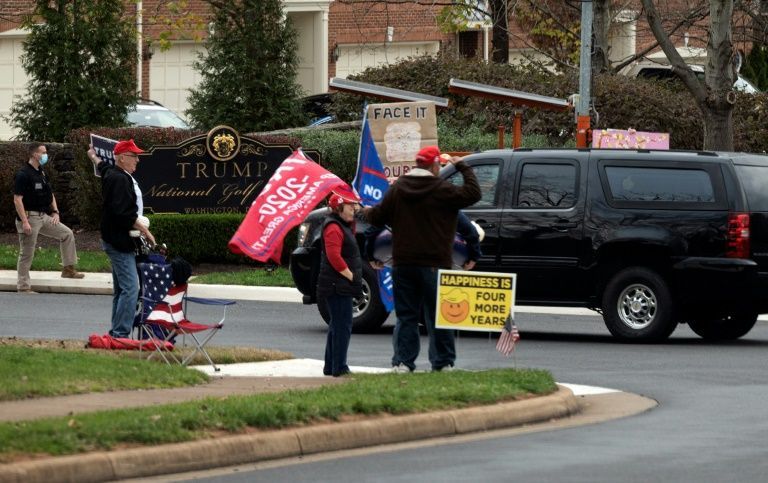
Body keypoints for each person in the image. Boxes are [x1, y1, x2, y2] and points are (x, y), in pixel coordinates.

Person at [363, 145, 481, 372]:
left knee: (406, 316)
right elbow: (473, 193)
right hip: (435, 264)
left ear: (417, 164)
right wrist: (461, 165)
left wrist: (365, 217)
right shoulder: (442, 189)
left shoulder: (398, 189)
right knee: (438, 316)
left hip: (403, 264)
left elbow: (377, 219)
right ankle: (443, 362)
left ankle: (403, 363)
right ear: (436, 165)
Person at [88, 139, 155, 338]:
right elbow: (123, 213)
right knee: (131, 289)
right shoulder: (119, 179)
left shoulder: (112, 172)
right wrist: (146, 231)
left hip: (113, 238)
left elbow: (102, 165)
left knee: (121, 290)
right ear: (123, 158)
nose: (138, 160)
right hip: (119, 241)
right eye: (134, 156)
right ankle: (120, 333)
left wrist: (92, 156)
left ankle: (116, 332)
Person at [13, 143, 84, 293]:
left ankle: (68, 269)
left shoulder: (41, 172)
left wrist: (56, 212)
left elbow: (50, 194)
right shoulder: (23, 174)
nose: (46, 155)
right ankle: (23, 287)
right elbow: (17, 199)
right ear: (34, 154)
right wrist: (25, 222)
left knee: (67, 234)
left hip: (44, 216)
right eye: (43, 152)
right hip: (29, 217)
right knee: (27, 252)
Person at [317, 189, 363, 377]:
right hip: (336, 285)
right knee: (342, 326)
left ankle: (331, 367)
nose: (353, 209)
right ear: (339, 208)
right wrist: (351, 276)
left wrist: (357, 207)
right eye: (350, 206)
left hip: (338, 284)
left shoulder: (343, 224)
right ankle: (340, 368)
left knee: (337, 325)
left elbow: (356, 215)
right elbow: (334, 256)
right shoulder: (333, 228)